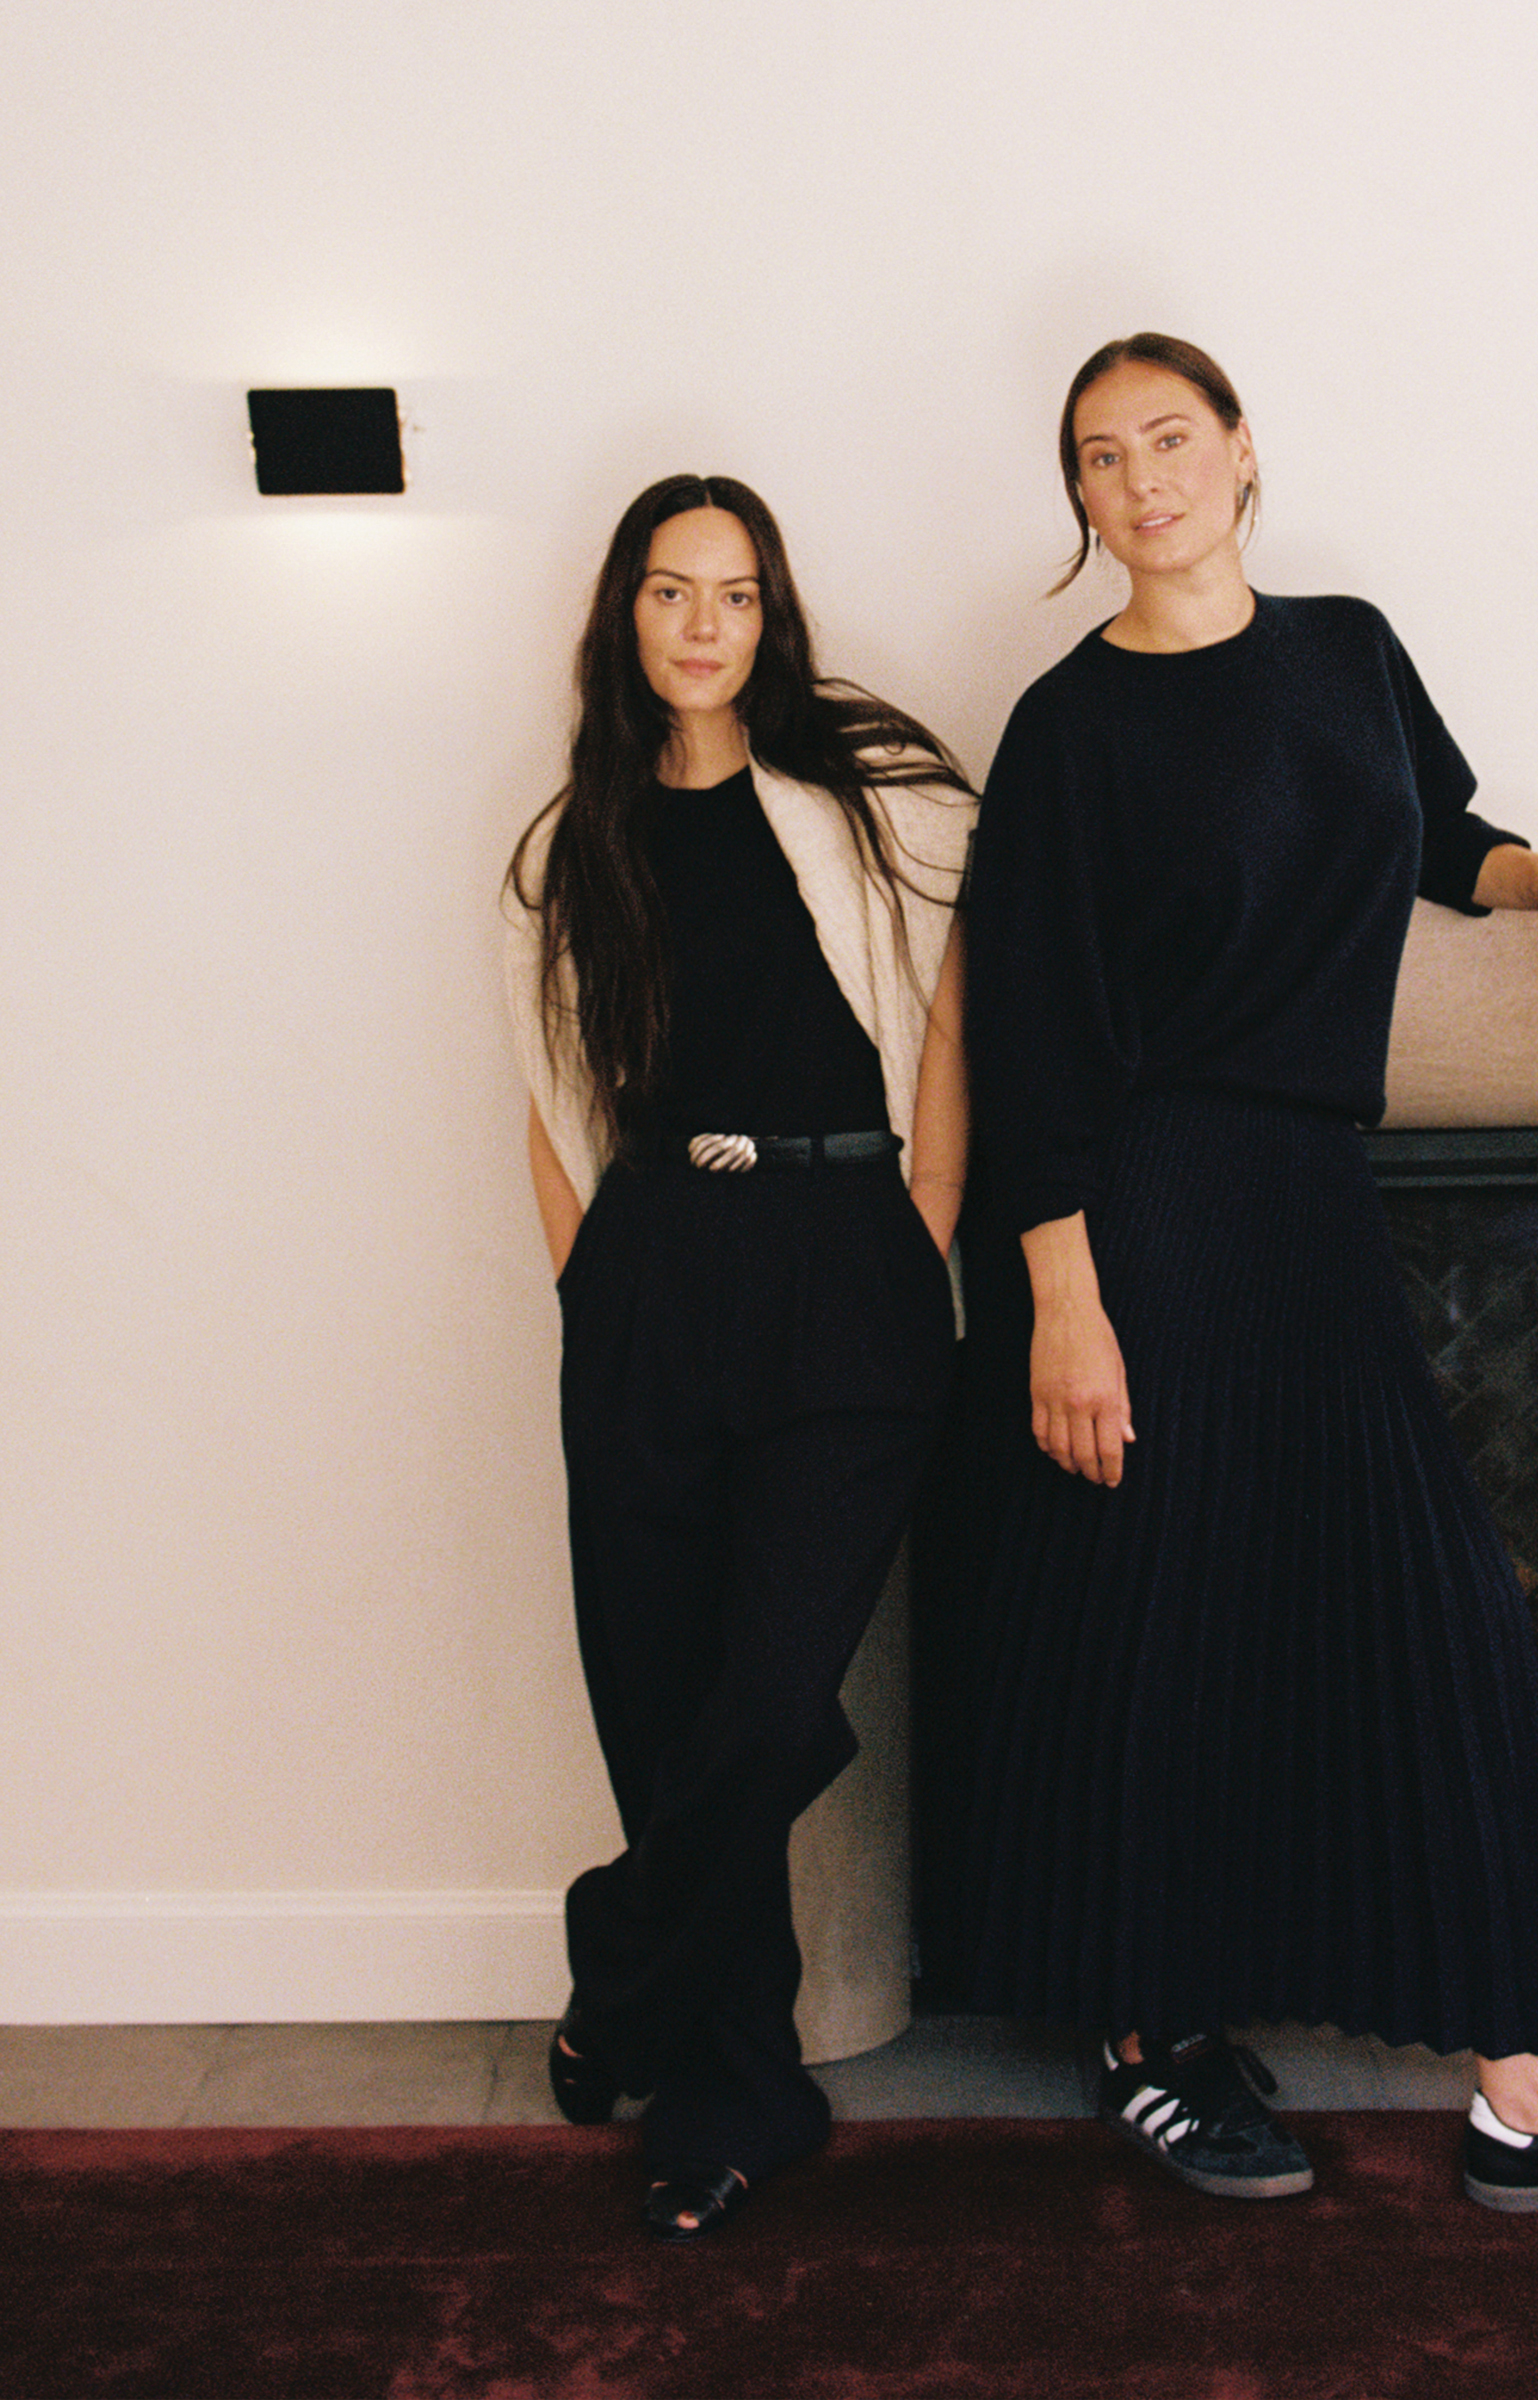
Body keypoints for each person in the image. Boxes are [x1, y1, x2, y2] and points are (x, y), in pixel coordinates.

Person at [958, 334, 1538, 2215]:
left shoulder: (1348, 649)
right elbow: (1040, 1035)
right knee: (1163, 1627)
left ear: (1243, 452)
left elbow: (1441, 841)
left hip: (1310, 1195)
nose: (1142, 476)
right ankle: (1177, 2046)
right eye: (1101, 456)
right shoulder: (1070, 727)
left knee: (1430, 1628)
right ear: (1077, 500)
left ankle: (1524, 2097)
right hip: (1149, 1205)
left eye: (1172, 437)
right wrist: (1063, 1300)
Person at [503, 474, 973, 2240]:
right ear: (624, 620)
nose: (704, 624)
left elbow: (950, 1009)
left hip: (844, 1264)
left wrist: (922, 1218)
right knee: (663, 1699)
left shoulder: (875, 805)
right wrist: (597, 1290)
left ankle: (617, 1968)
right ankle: (726, 2084)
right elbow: (552, 1102)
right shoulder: (573, 843)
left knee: (772, 1697)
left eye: (739, 594)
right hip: (651, 1276)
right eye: (671, 592)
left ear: (775, 620)